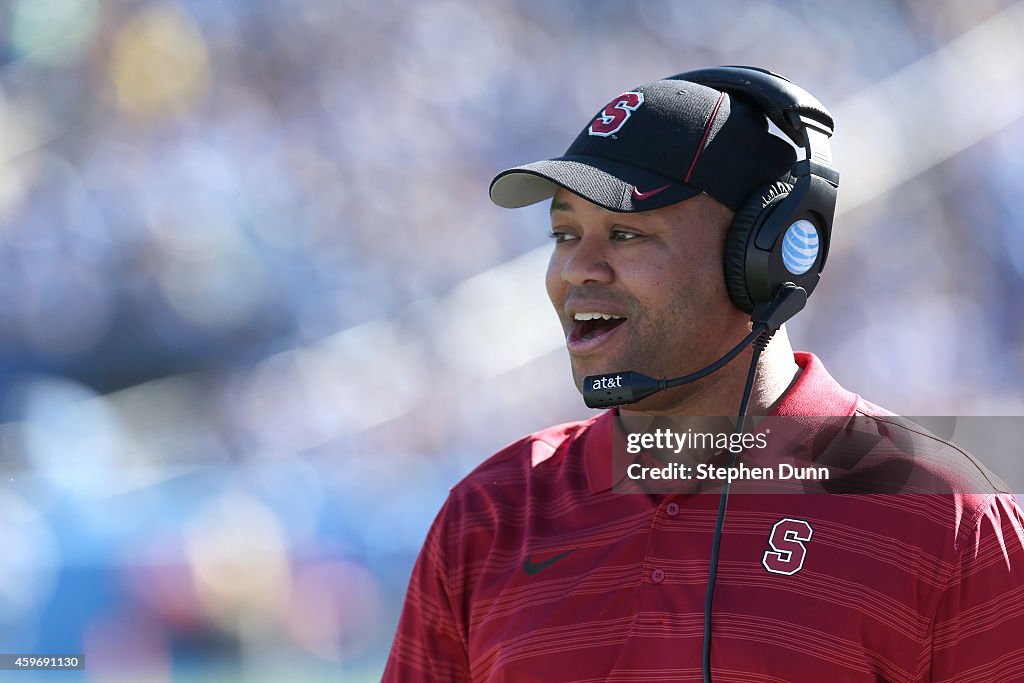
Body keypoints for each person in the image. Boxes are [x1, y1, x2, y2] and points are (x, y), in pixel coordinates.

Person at [382, 66, 1024, 682]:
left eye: (626, 233)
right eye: (563, 233)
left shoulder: (944, 514)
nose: (579, 268)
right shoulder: (489, 516)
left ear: (761, 256)